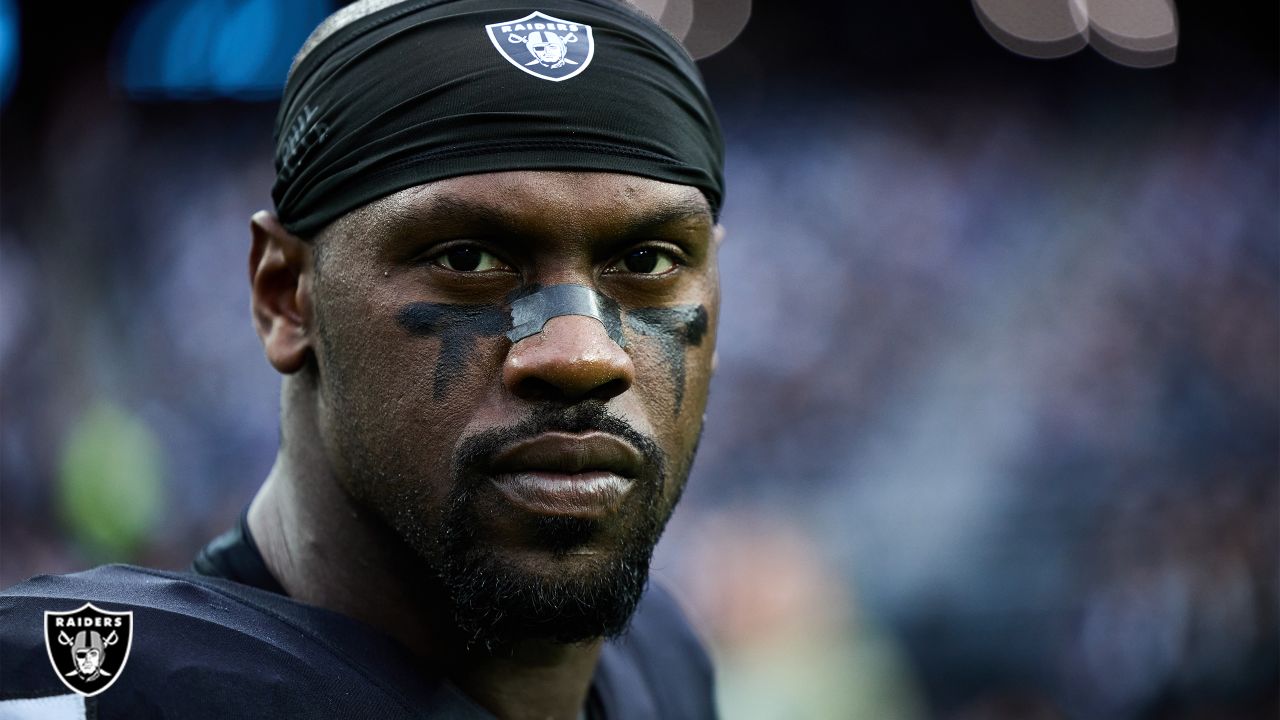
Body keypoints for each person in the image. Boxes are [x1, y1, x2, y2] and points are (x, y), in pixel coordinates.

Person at [0, 0, 725, 718]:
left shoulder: (658, 662)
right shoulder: (88, 691)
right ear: (285, 295)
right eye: (468, 259)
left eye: (647, 259)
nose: (580, 354)